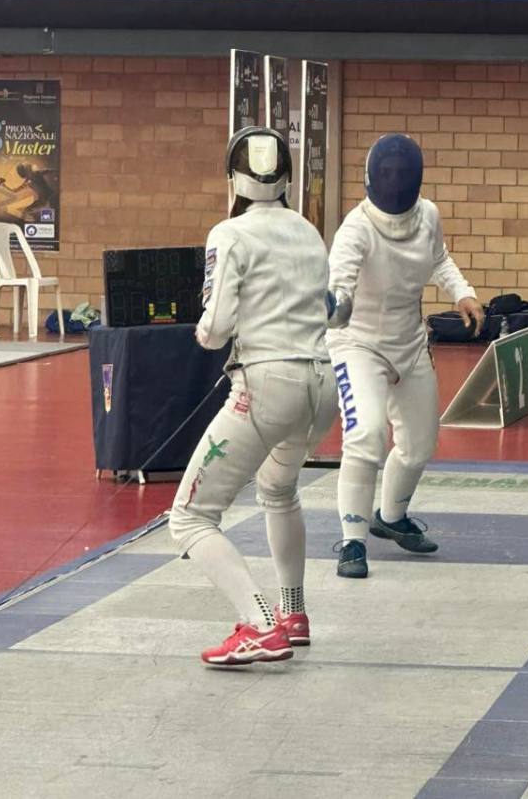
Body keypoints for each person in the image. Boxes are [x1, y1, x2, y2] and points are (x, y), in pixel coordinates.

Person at [169, 126, 338, 665]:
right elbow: (327, 308)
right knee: (278, 489)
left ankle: (259, 624)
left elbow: (215, 328)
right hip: (322, 386)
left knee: (190, 517)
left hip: (268, 386)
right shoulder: (310, 231)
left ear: (233, 177)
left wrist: (203, 332)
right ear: (288, 177)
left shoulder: (229, 233)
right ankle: (293, 612)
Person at [327, 133, 484, 578]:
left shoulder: (427, 215)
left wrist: (463, 293)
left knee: (418, 446)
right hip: (357, 345)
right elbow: (340, 292)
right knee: (367, 435)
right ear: (373, 178)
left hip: (410, 343)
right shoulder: (354, 230)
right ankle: (353, 543)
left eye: (403, 174)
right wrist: (332, 305)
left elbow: (439, 259)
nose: (395, 181)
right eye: (388, 174)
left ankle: (391, 518)